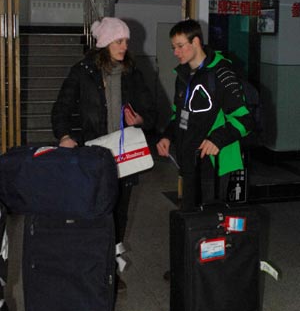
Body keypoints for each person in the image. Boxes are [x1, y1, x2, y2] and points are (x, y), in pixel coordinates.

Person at [51, 17, 156, 292]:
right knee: (94, 211)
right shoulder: (82, 72)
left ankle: (110, 268)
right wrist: (64, 136)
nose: (125, 46)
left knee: (119, 213)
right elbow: (61, 108)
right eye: (119, 41)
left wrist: (141, 119)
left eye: (126, 41)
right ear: (106, 43)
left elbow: (152, 111)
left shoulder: (132, 72)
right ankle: (89, 264)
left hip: (125, 156)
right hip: (93, 156)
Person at [156, 19, 254, 210]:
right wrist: (168, 135)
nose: (176, 52)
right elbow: (179, 113)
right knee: (191, 220)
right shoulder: (183, 75)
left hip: (214, 162)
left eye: (180, 46)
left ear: (196, 42)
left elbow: (245, 120)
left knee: (211, 224)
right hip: (189, 159)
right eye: (173, 47)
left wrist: (216, 139)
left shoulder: (222, 73)